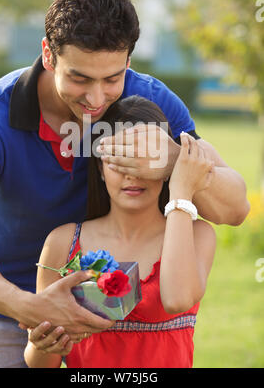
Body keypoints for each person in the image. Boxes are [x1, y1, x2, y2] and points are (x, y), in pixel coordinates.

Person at [0, 0, 249, 368]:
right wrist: (30, 306)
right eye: (80, 78)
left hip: (111, 309)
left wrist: (173, 160)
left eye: (112, 79)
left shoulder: (152, 102)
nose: (96, 100)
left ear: (128, 61)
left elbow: (234, 210)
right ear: (48, 54)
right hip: (3, 304)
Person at [24, 95, 217, 368]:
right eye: (119, 160)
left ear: (166, 167)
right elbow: (42, 363)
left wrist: (182, 188)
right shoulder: (63, 242)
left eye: (144, 161)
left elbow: (177, 299)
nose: (132, 175)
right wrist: (40, 341)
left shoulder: (197, 235)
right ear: (100, 168)